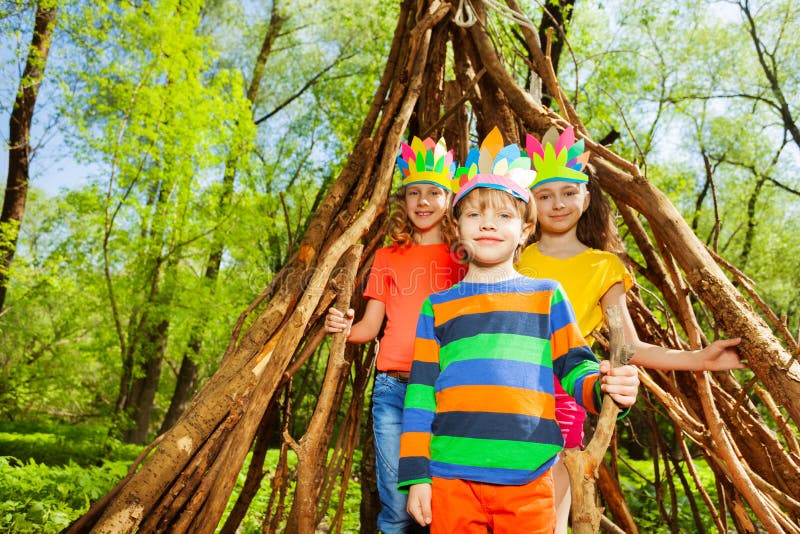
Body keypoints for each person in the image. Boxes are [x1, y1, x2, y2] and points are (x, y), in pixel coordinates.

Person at [397, 127, 640, 533]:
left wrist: (607, 388)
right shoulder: (437, 308)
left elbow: (576, 367)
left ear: (525, 230)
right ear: (457, 228)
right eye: (474, 214)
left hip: (529, 474)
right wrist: (417, 476)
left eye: (503, 215)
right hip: (451, 476)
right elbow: (420, 395)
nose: (488, 225)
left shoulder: (547, 296)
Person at [516, 125, 744, 534]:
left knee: (550, 512)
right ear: (530, 202)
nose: (558, 204)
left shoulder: (605, 267)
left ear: (586, 198)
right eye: (544, 195)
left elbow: (627, 347)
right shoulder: (514, 257)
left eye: (568, 192)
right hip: (504, 389)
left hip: (565, 390)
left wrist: (699, 360)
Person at [324, 136, 467, 533]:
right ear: (402, 201)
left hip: (447, 390)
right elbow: (371, 327)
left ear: (450, 198)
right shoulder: (388, 256)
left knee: (443, 504)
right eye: (414, 193)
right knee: (397, 506)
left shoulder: (465, 258)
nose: (423, 202)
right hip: (393, 391)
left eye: (434, 193)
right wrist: (343, 328)